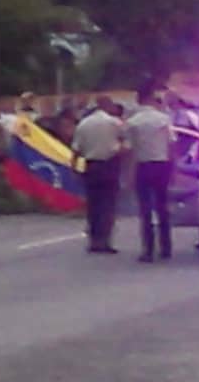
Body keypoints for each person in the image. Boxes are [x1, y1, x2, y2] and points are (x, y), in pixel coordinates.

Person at [71, 95, 127, 254]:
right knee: (108, 205)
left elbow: (76, 149)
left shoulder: (84, 124)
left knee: (93, 205)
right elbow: (126, 144)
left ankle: (94, 240)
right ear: (108, 105)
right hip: (110, 165)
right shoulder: (115, 123)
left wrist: (74, 168)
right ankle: (105, 240)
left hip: (91, 167)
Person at [126, 85, 174, 263]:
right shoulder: (163, 119)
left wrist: (130, 174)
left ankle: (148, 249)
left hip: (143, 166)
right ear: (152, 99)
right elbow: (171, 145)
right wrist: (173, 169)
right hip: (162, 165)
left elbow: (131, 151)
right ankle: (166, 247)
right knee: (163, 207)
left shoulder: (133, 122)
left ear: (139, 100)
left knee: (145, 210)